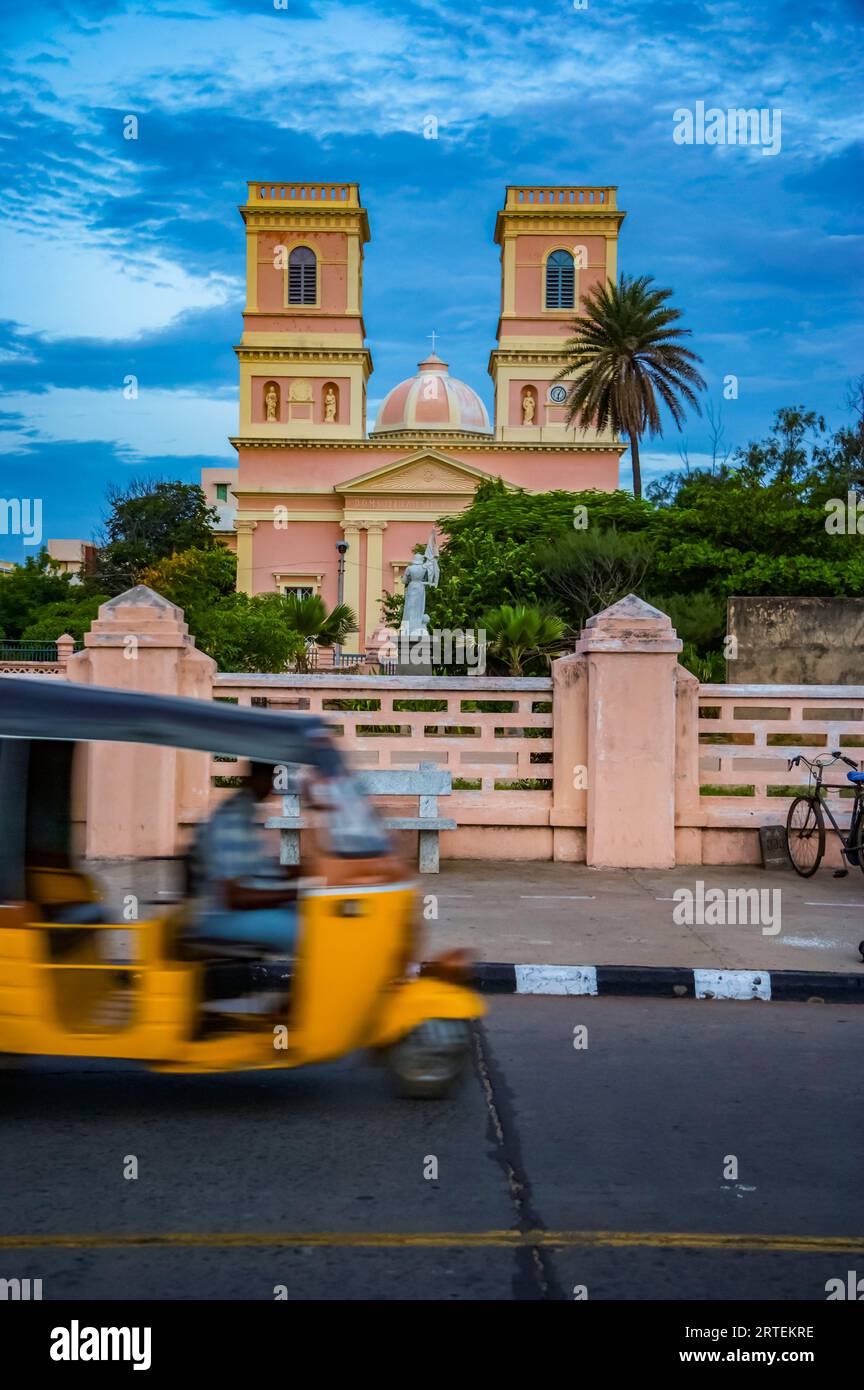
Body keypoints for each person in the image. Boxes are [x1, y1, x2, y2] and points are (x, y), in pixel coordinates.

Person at [190, 761, 299, 955]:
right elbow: (234, 896)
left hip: (241, 911)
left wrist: (299, 871)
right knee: (306, 930)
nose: (274, 785)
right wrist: (294, 893)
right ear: (259, 775)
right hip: (223, 917)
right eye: (272, 777)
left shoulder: (247, 812)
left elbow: (261, 869)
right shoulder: (232, 818)